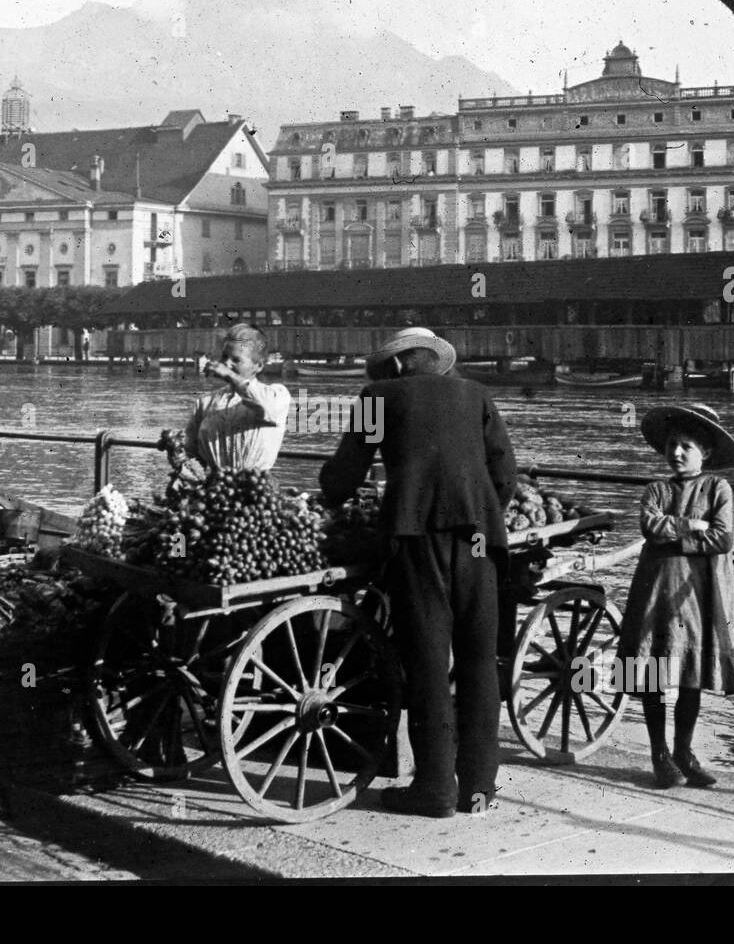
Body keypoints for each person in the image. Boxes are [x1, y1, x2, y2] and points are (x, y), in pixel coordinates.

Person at [320, 328, 517, 818]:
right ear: (436, 362)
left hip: (416, 536)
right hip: (480, 539)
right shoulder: (477, 394)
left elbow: (346, 473)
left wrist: (328, 497)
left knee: (428, 661)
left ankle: (434, 790)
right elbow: (505, 475)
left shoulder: (376, 396)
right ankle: (479, 789)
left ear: (401, 365)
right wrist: (478, 515)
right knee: (477, 660)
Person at [617, 404, 734, 790]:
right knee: (651, 670)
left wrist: (676, 534)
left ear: (704, 451)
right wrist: (692, 526)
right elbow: (651, 526)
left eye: (687, 446)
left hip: (697, 593)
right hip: (655, 589)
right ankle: (659, 755)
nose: (677, 453)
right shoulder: (656, 489)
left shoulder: (717, 488)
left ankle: (684, 751)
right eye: (672, 445)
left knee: (690, 672)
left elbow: (722, 537)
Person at [185, 324, 290, 472]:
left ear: (258, 366)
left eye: (236, 360)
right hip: (215, 488)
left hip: (255, 488)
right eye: (224, 357)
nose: (226, 363)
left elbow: (265, 407)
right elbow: (191, 452)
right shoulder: (205, 402)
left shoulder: (276, 395)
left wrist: (229, 375)